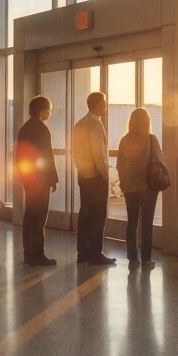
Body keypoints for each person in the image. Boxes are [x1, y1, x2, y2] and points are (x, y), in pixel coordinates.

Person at [116, 107, 166, 268]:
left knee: (132, 222)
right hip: (148, 187)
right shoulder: (151, 139)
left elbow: (119, 165)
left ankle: (132, 259)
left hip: (130, 187)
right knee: (147, 223)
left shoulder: (124, 140)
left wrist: (124, 183)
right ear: (147, 122)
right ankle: (146, 259)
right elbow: (160, 160)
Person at [72, 90, 115, 266]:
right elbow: (99, 155)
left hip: (83, 175)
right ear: (98, 105)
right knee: (98, 215)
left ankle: (83, 252)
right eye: (104, 103)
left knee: (85, 214)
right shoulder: (95, 124)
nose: (106, 107)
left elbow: (75, 152)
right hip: (96, 177)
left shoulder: (80, 124)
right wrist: (106, 177)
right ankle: (96, 253)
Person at [15, 95, 59, 267]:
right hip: (41, 180)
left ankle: (29, 253)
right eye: (49, 109)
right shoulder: (41, 129)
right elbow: (47, 156)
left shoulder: (25, 128)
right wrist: (52, 178)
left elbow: (21, 156)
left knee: (30, 216)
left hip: (30, 179)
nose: (50, 112)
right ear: (43, 110)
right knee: (39, 218)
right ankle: (38, 255)